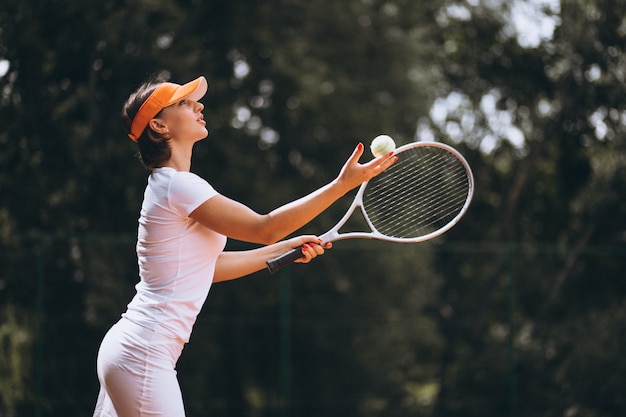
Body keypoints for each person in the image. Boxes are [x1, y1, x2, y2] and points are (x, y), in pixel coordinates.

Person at [92, 75, 396, 417]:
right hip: (143, 353)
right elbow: (265, 228)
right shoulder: (178, 185)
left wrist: (285, 250)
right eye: (183, 103)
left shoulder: (167, 186)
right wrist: (342, 185)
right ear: (159, 126)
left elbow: (207, 268)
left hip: (130, 350)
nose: (199, 105)